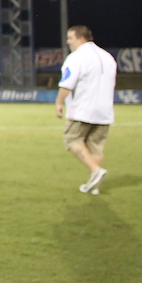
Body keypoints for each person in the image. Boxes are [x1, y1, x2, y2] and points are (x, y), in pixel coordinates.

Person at [55, 25, 118, 195]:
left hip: (82, 110)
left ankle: (95, 170)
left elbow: (67, 83)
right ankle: (93, 185)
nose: (68, 42)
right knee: (95, 147)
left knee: (72, 139)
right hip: (105, 111)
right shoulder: (108, 57)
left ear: (81, 38)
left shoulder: (76, 57)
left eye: (70, 38)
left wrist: (59, 102)